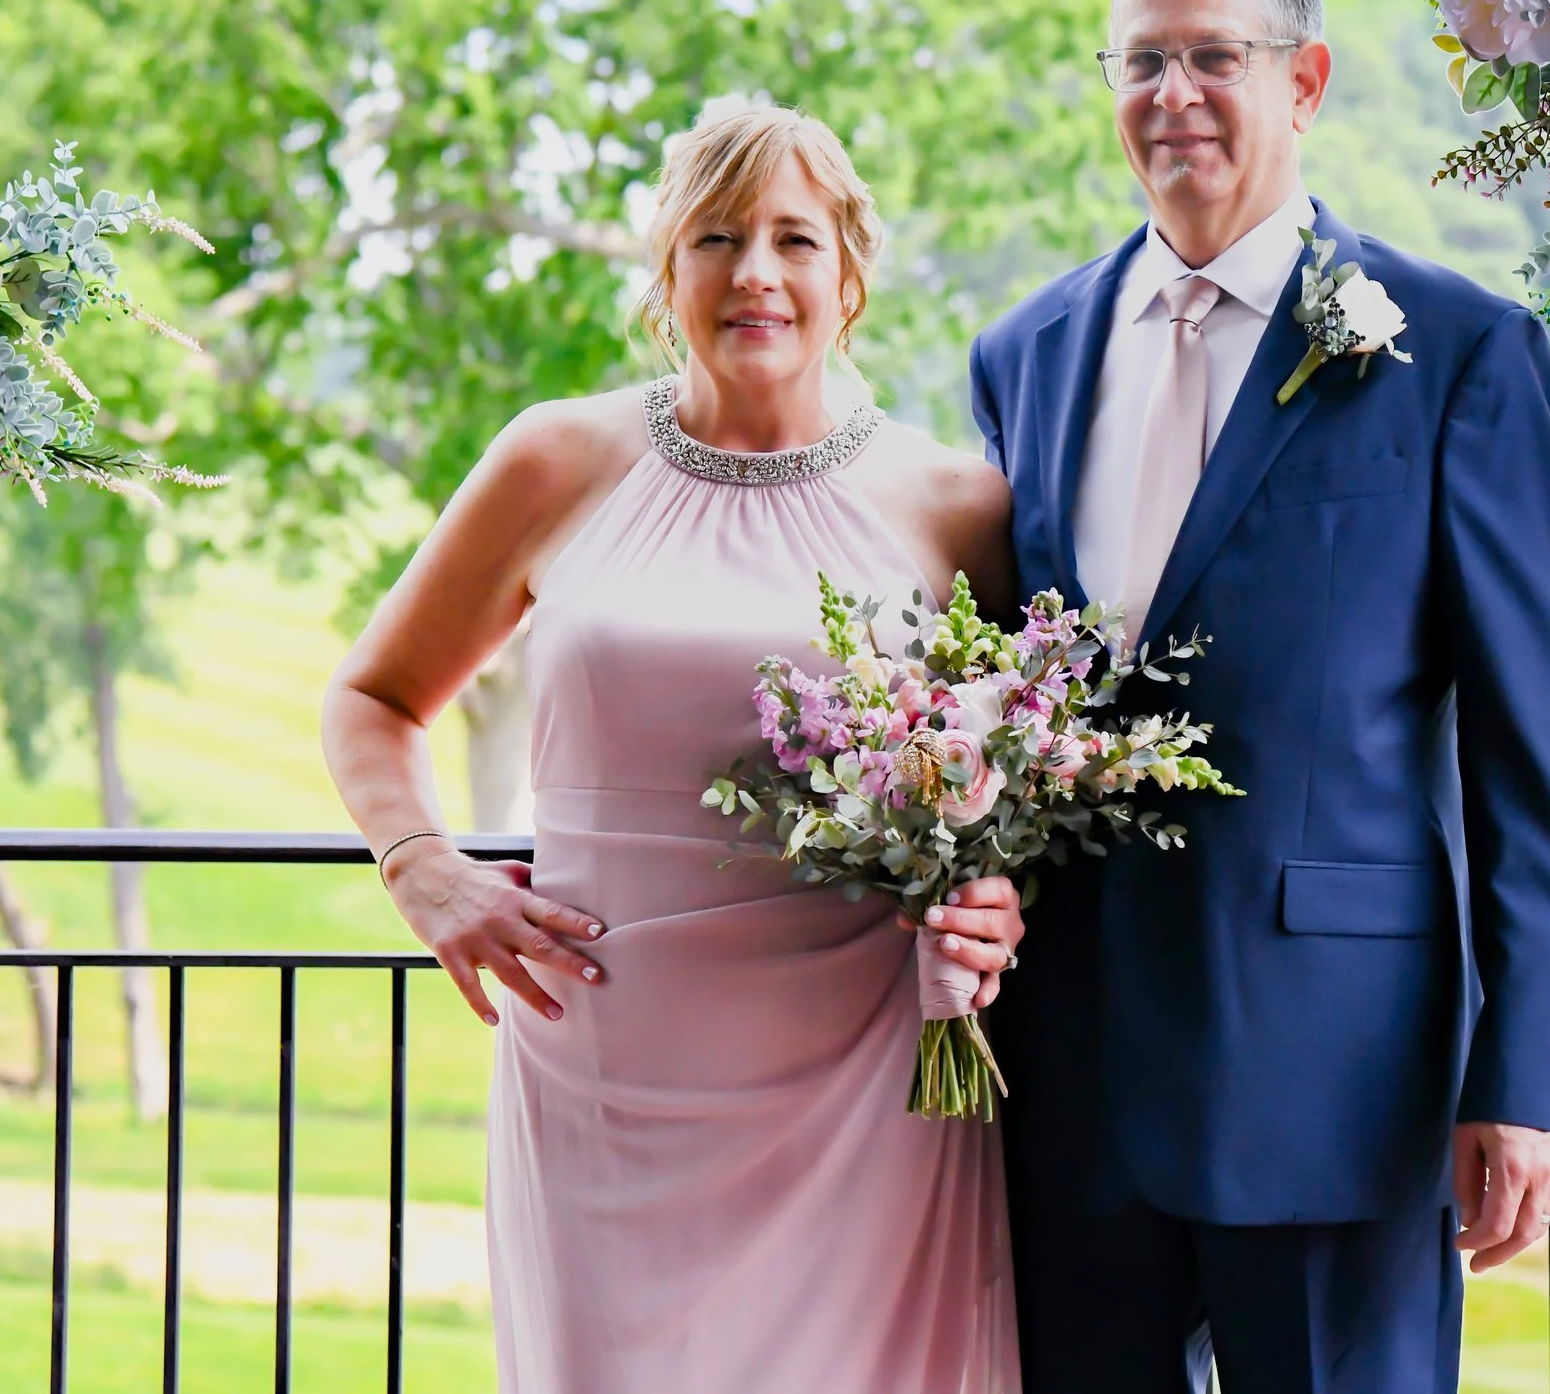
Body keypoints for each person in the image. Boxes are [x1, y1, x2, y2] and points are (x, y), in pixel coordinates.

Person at [968, 0, 1550, 1393]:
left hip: (1337, 1081)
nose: (1172, 95)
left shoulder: (1456, 351)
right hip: (1069, 1080)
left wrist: (1527, 1084)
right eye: (1141, 62)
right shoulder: (1024, 356)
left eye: (1215, 57)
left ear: (1304, 80)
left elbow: (1535, 757)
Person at [322, 102, 1026, 1394]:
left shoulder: (956, 505)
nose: (755, 272)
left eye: (793, 239)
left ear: (849, 273)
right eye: (716, 238)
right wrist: (423, 869)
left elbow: (1011, 780)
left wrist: (997, 898)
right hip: (605, 1079)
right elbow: (373, 697)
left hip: (870, 1083)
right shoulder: (554, 459)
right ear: (666, 270)